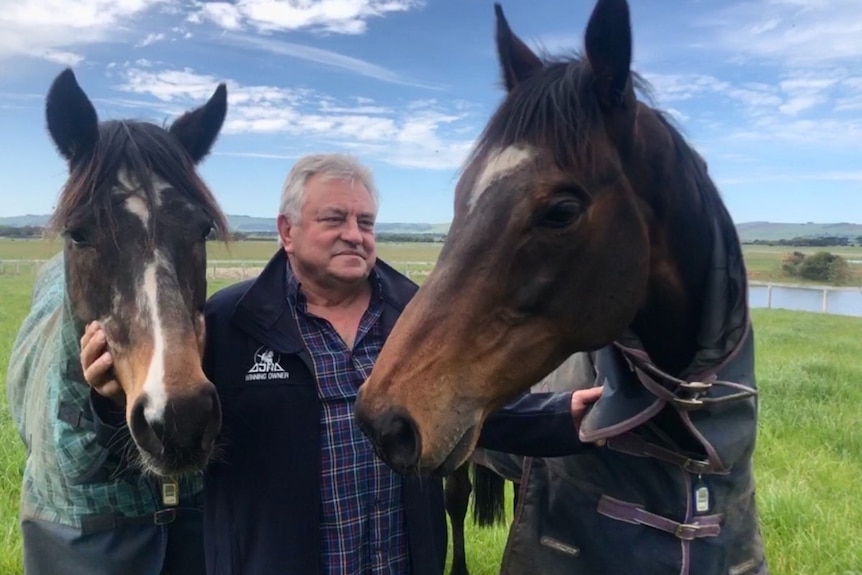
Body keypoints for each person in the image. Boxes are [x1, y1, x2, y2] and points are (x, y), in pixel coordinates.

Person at [79, 152, 602, 575]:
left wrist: (566, 416)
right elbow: (173, 429)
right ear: (287, 231)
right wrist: (109, 404)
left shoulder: (414, 317)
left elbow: (471, 406)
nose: (355, 233)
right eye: (334, 219)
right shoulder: (229, 324)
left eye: (365, 221)